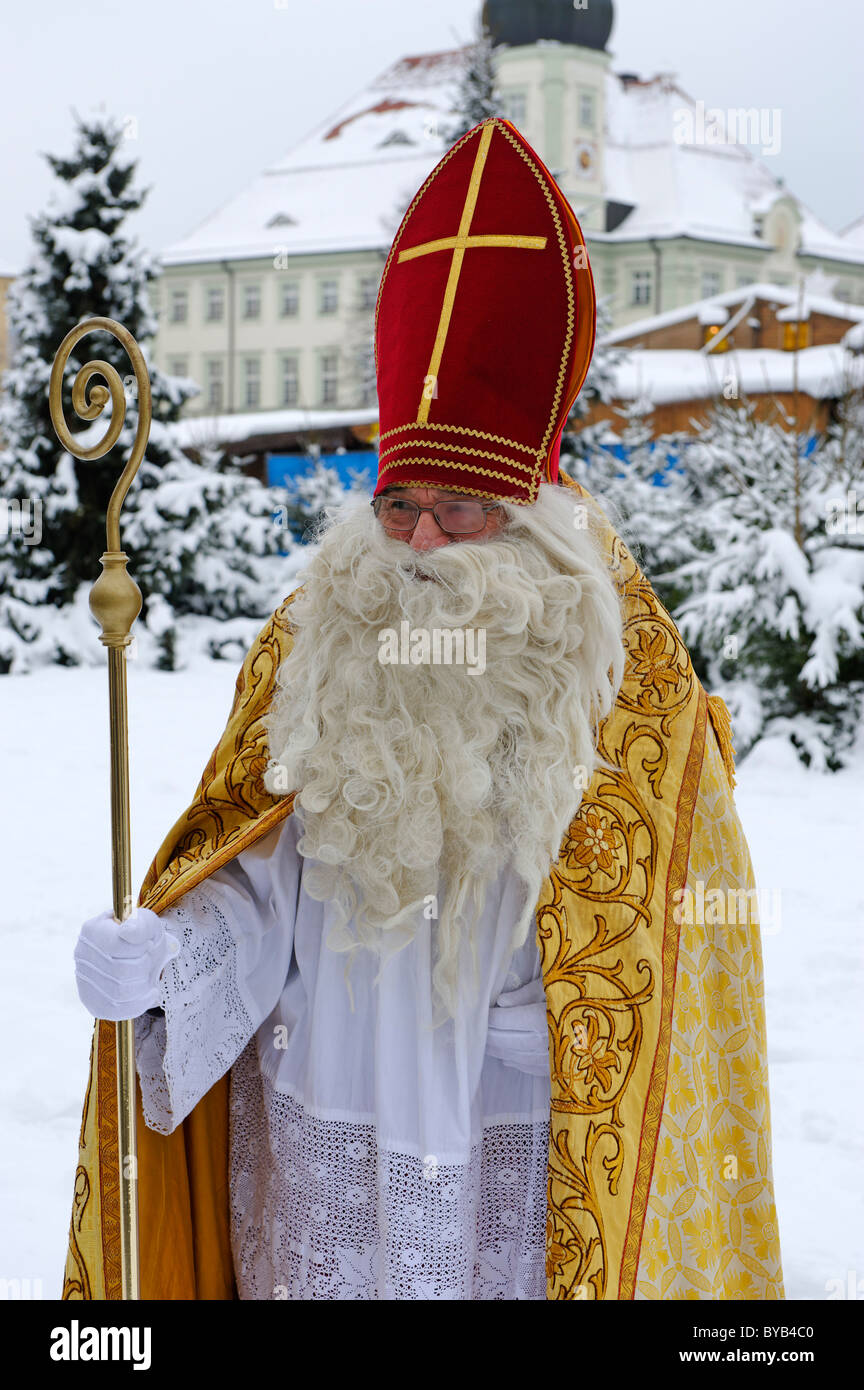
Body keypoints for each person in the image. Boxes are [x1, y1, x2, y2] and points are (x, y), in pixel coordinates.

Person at [63, 116, 784, 1301]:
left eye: (461, 508)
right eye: (398, 503)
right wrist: (174, 959)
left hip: (513, 1158)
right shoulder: (319, 636)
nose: (419, 542)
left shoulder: (626, 686)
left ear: (539, 515)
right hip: (321, 1142)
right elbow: (260, 876)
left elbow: (671, 1011)